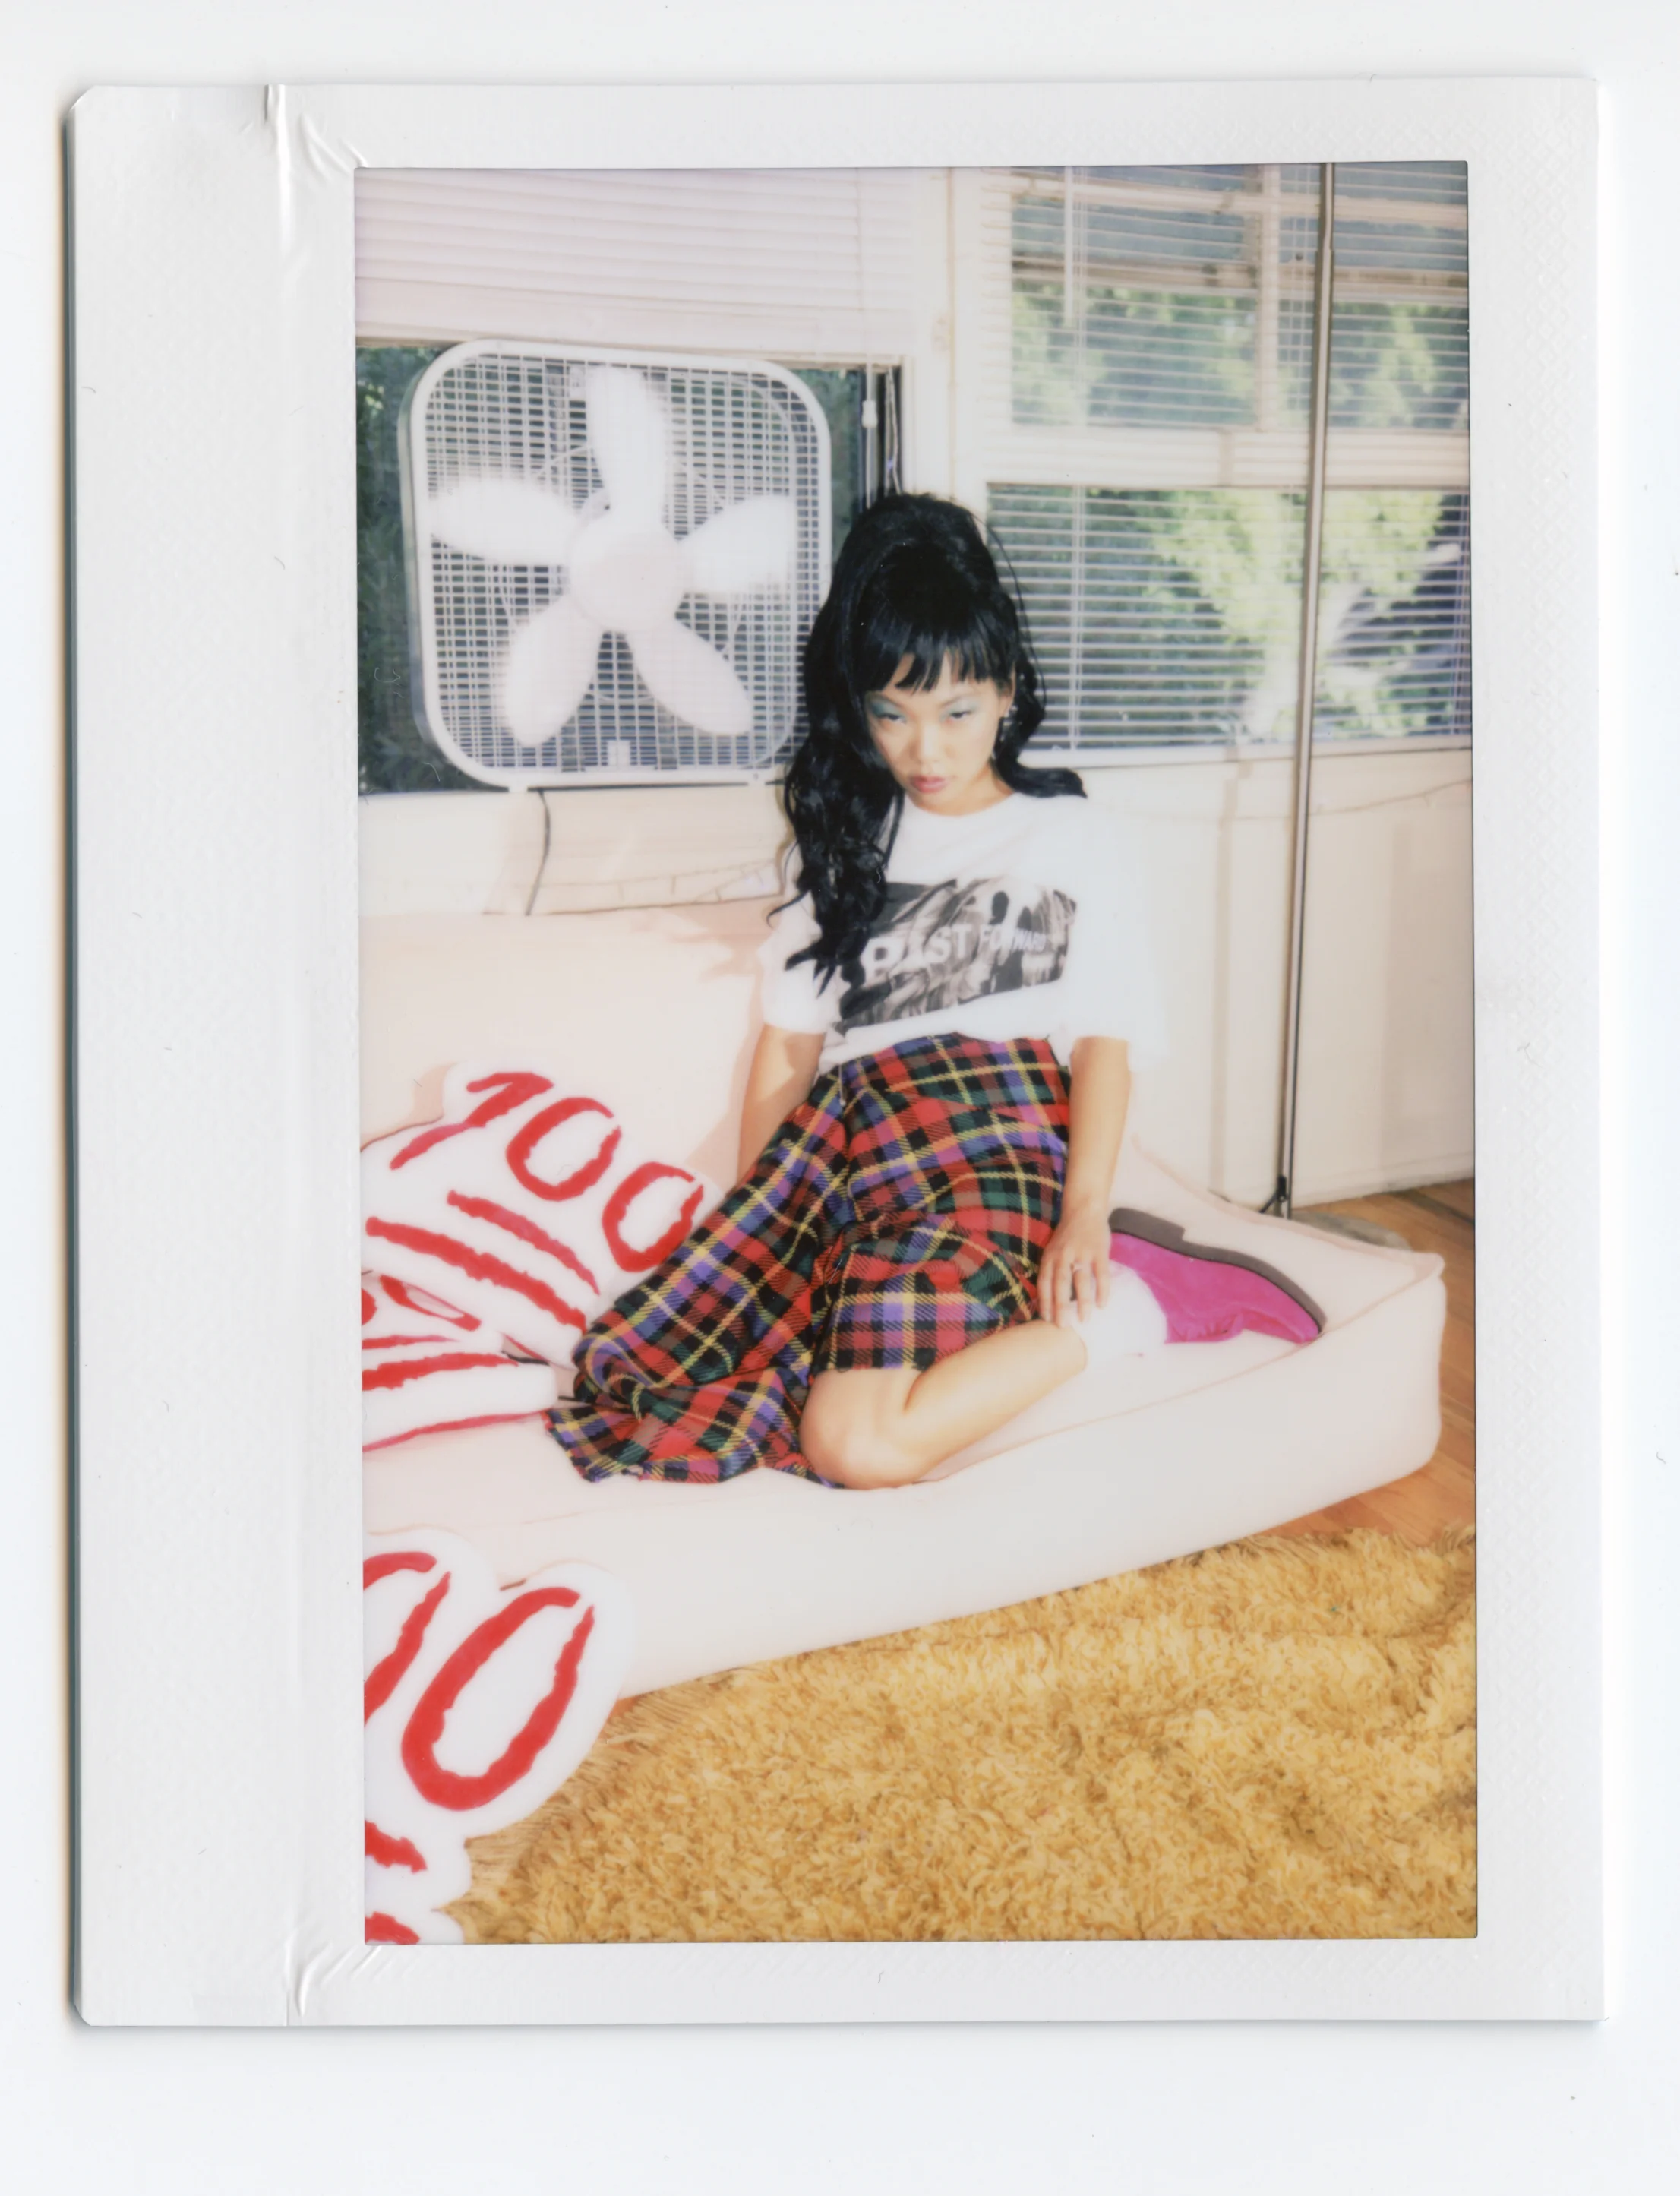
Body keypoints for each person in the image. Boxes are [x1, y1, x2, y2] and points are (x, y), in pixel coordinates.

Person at [548, 494, 1311, 1493]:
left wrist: (1085, 1212)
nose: (928, 753)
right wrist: (760, 1218)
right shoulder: (847, 843)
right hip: (851, 1152)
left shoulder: (1074, 837)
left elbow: (1104, 1043)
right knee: (657, 1380)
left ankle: (1136, 1304)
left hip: (991, 1133)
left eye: (957, 712)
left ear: (1007, 691)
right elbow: (790, 1044)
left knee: (853, 1444)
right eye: (892, 715)